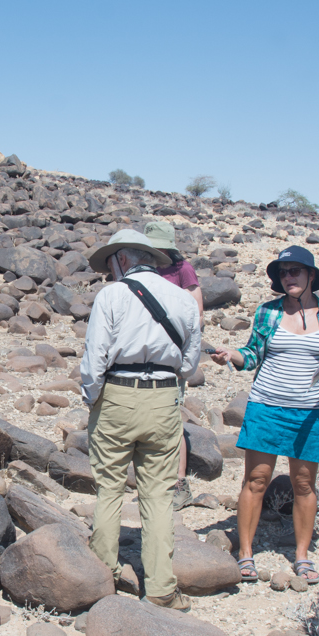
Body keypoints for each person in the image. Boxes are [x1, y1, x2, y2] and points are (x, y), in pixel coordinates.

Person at [79, 228, 204, 611]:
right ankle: (162, 588)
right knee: (158, 496)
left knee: (110, 488)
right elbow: (190, 362)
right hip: (165, 399)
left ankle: (104, 576)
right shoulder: (183, 299)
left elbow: (94, 357)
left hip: (117, 394)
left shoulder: (112, 295)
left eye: (111, 264)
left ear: (123, 259)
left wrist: (93, 397)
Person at [211, 245, 319, 583]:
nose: (289, 277)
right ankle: (245, 553)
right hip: (265, 407)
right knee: (256, 481)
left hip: (310, 412)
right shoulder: (267, 312)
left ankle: (301, 556)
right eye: (283, 272)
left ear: (311, 276)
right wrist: (232, 355)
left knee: (304, 484)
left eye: (295, 271)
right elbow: (253, 354)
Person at [142, 221, 205, 512]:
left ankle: (180, 482)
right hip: (143, 352)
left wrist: (185, 357)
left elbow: (196, 315)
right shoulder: (145, 269)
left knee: (171, 416)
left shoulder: (182, 270)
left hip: (171, 354)